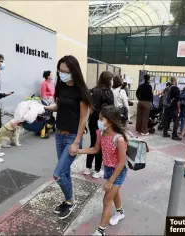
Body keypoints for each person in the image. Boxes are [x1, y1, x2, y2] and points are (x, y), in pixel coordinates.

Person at [43, 55, 92, 219]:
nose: (62, 74)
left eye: (66, 71)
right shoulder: (61, 87)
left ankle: (71, 201)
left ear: (74, 71)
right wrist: (45, 107)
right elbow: (60, 106)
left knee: (58, 174)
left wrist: (77, 142)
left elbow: (83, 118)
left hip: (72, 137)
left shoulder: (81, 92)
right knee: (65, 172)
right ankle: (68, 200)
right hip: (59, 135)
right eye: (60, 71)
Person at [77, 106, 128, 236]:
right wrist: (78, 151)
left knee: (106, 200)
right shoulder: (100, 133)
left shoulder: (119, 138)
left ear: (110, 121)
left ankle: (101, 231)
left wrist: (110, 181)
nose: (98, 121)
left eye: (101, 119)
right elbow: (95, 150)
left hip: (118, 171)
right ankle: (120, 212)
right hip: (108, 169)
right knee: (114, 194)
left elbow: (122, 163)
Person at [86, 71, 114, 178]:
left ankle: (88, 168)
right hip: (102, 122)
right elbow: (110, 109)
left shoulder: (94, 90)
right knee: (100, 145)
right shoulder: (108, 92)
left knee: (93, 142)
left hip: (92, 119)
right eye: (111, 79)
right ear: (108, 80)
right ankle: (97, 170)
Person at [163, 77, 181, 141]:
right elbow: (178, 100)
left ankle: (165, 133)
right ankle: (174, 135)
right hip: (174, 107)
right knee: (176, 121)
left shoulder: (166, 88)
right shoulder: (176, 88)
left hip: (166, 106)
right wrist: (179, 109)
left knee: (167, 120)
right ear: (175, 81)